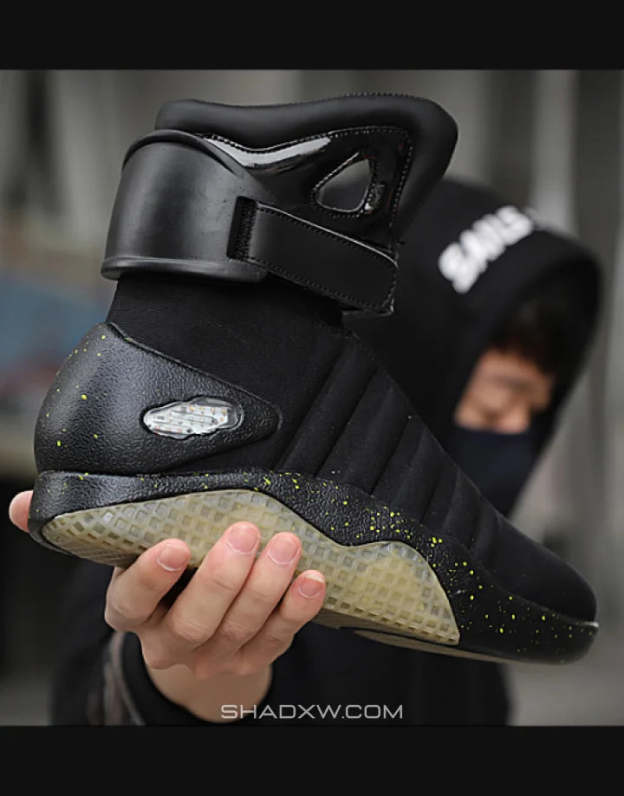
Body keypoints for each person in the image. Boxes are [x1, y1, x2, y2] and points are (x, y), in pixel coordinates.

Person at [8, 177, 600, 726]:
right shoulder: (185, 518)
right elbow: (101, 701)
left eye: (537, 410)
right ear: (403, 355)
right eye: (498, 400)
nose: (517, 429)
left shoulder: (454, 595)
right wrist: (191, 684)